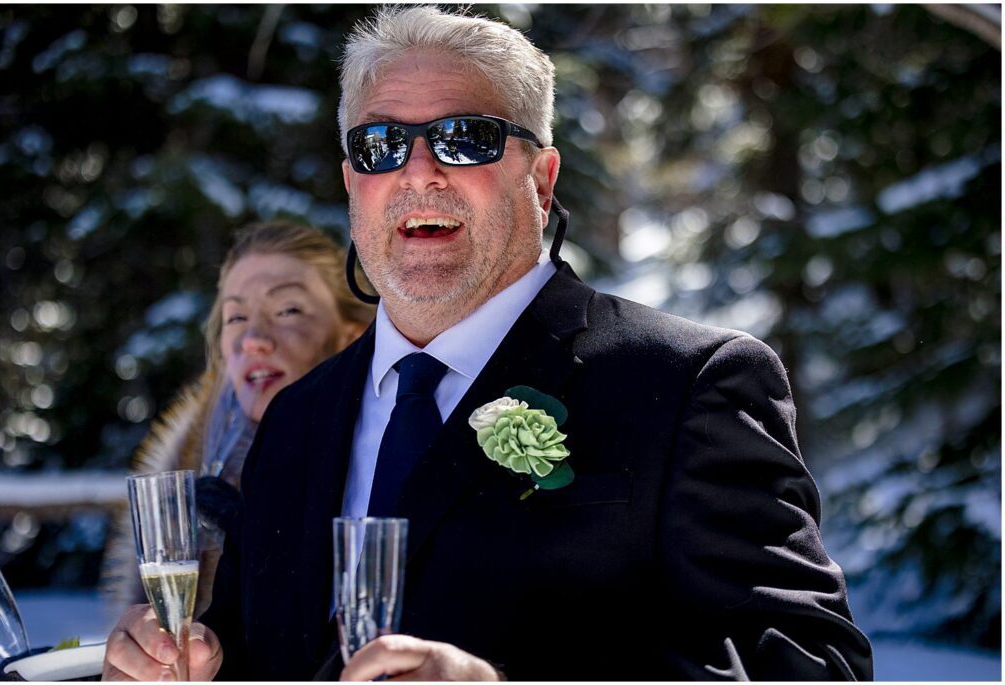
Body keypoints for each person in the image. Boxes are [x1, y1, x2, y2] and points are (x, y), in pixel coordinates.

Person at [102, 7, 874, 681]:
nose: (419, 173)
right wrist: (185, 665)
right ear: (351, 182)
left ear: (541, 179)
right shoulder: (296, 419)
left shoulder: (689, 383)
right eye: (380, 144)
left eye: (464, 138)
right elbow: (258, 655)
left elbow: (813, 666)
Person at [100, 221, 374, 621]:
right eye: (236, 317)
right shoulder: (193, 462)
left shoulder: (384, 448)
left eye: (287, 310)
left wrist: (257, 537)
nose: (253, 339)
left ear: (352, 335)